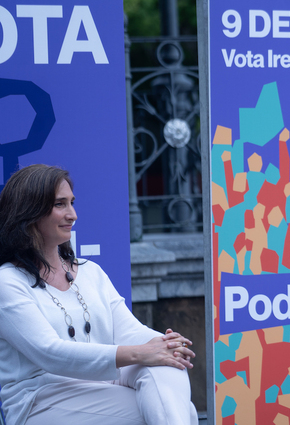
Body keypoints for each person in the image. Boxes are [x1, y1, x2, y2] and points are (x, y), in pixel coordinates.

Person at [0, 164, 198, 425]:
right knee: (178, 412)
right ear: (30, 211)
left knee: (167, 366)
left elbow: (128, 329)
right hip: (41, 399)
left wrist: (165, 344)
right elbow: (49, 353)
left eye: (72, 203)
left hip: (103, 382)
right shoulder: (8, 281)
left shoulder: (90, 271)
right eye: (60, 204)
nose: (73, 215)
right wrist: (141, 353)